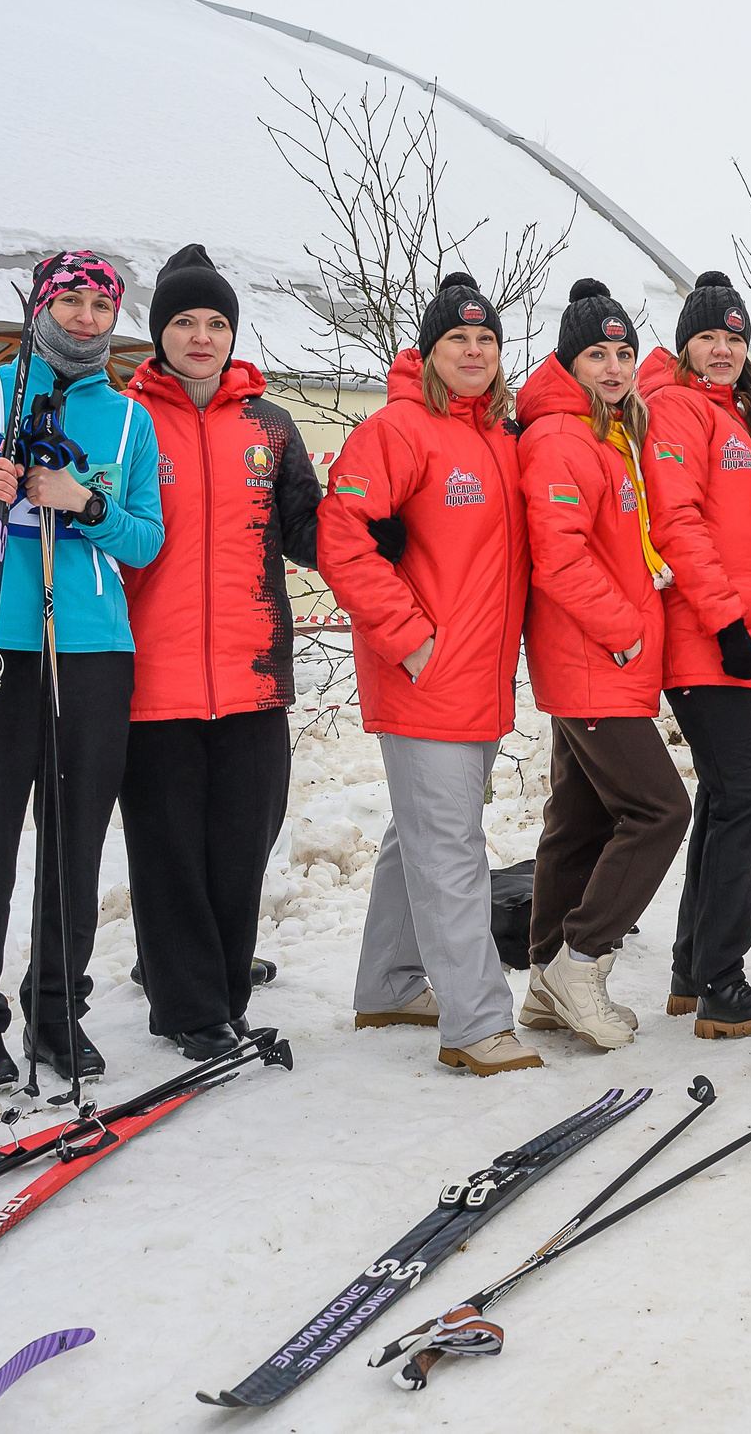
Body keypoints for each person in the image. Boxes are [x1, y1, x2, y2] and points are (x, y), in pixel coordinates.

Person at [0, 251, 163, 1092]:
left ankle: (56, 1009)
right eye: (72, 300)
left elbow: (145, 538)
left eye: (101, 305)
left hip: (91, 648)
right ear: (42, 306)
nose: (87, 317)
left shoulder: (127, 418)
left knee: (75, 839)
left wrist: (85, 502)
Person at [323, 273, 536, 1077]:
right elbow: (342, 538)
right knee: (451, 849)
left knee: (417, 833)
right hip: (424, 676)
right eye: (457, 338)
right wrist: (411, 640)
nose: (474, 351)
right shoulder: (396, 431)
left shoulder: (502, 437)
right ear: (429, 350)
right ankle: (477, 1023)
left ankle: (387, 982)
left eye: (486, 339)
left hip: (480, 678)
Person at [119, 245, 322, 1059]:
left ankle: (226, 995)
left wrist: (381, 515)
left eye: (215, 322)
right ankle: (188, 1007)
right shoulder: (123, 421)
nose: (201, 337)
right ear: (158, 332)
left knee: (243, 846)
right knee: (167, 852)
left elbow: (308, 531)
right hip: (151, 680)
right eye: (184, 322)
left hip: (253, 674)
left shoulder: (270, 426)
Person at [514, 278, 689, 1052]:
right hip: (592, 656)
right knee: (660, 809)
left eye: (623, 352)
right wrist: (623, 630)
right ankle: (581, 961)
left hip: (600, 657)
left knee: (579, 818)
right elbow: (558, 554)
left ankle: (543, 979)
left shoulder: (603, 431)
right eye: (597, 354)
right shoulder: (560, 436)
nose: (614, 367)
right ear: (569, 362)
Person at [636, 271, 751, 1038]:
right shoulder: (678, 408)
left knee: (725, 801)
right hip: (706, 641)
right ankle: (722, 984)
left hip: (745, 646)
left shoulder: (741, 418)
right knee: (743, 799)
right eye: (708, 337)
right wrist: (728, 622)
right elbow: (677, 521)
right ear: (685, 345)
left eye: (733, 337)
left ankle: (691, 969)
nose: (723, 349)